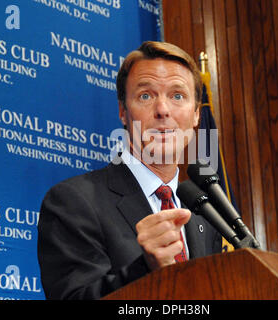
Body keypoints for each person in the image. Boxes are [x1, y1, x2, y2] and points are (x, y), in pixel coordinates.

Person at [37, 41, 222, 300]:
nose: (163, 110)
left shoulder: (206, 214)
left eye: (177, 96)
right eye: (145, 96)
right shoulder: (73, 202)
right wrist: (145, 269)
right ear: (123, 112)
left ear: (195, 116)